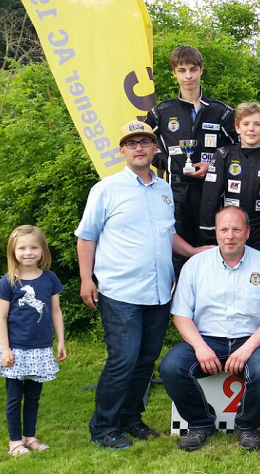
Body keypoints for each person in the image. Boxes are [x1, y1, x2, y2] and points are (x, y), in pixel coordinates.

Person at [76, 121, 208, 449]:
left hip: (159, 291)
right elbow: (86, 237)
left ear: (154, 148)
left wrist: (192, 251)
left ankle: (130, 419)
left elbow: (168, 234)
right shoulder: (105, 189)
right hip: (120, 291)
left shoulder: (164, 189)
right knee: (123, 359)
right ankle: (104, 427)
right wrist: (86, 278)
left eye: (145, 142)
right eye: (132, 143)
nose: (139, 148)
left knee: (145, 361)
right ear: (122, 150)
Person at [160, 206, 260, 452]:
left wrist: (247, 349)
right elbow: (181, 314)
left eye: (236, 229)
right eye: (224, 229)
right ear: (216, 232)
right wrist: (200, 347)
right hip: (205, 339)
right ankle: (200, 423)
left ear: (247, 232)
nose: (230, 236)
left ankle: (247, 425)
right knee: (171, 368)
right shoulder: (195, 265)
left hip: (250, 340)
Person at [144, 45, 238, 273]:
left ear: (201, 70)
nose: (188, 76)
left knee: (214, 250)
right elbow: (143, 144)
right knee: (178, 253)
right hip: (176, 192)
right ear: (174, 73)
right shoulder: (161, 112)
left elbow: (238, 149)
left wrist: (213, 166)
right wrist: (169, 164)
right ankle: (178, 295)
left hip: (213, 191)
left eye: (193, 70)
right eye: (182, 70)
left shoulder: (222, 112)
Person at [0, 225, 66, 456]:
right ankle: (15, 442)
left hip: (40, 349)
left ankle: (30, 437)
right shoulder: (9, 281)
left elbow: (55, 311)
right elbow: (1, 317)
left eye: (34, 247)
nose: (28, 252)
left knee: (33, 397)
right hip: (16, 350)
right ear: (13, 251)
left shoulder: (50, 278)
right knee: (14, 398)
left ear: (43, 250)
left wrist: (60, 341)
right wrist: (5, 349)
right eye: (22, 248)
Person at [199, 102, 260, 256]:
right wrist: (208, 233)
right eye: (246, 124)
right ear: (237, 128)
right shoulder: (223, 156)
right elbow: (210, 199)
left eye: (257, 124)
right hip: (230, 232)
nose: (251, 129)